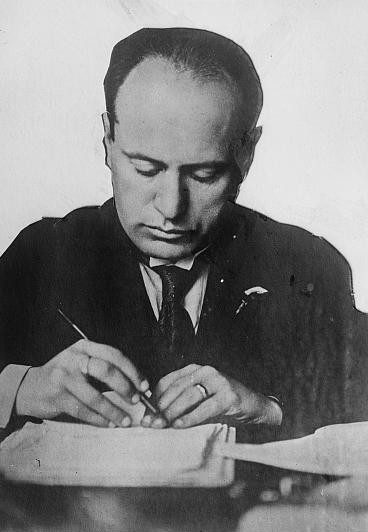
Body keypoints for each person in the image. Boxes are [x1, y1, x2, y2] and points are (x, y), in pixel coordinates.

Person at [0, 27, 365, 441]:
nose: (171, 208)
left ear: (246, 155)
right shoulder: (40, 257)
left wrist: (270, 410)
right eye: (145, 169)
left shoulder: (309, 265)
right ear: (107, 141)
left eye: (204, 173)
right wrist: (19, 388)